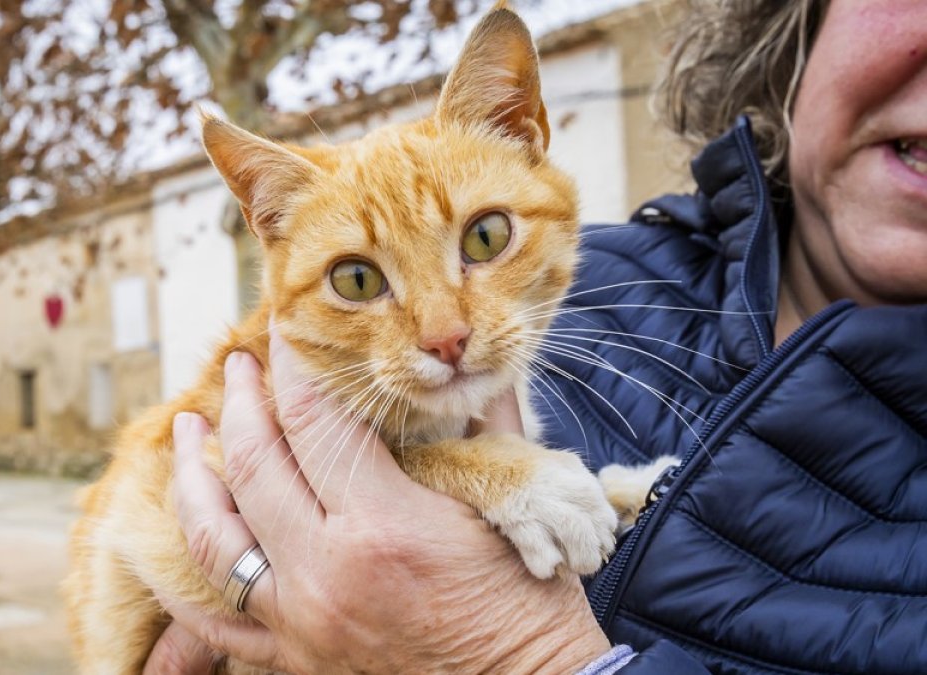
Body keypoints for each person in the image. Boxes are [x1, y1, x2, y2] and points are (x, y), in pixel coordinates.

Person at [144, 0, 927, 672]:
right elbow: (156, 544)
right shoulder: (616, 277)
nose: (444, 332)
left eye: (481, 240)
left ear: (524, 130)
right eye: (359, 280)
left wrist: (523, 653)